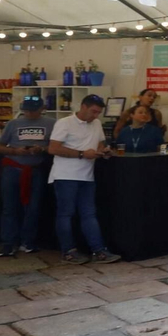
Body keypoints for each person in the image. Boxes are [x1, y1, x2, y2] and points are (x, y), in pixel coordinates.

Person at [46, 94, 120, 264]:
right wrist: (81, 154)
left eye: (98, 113)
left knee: (89, 214)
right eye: (93, 111)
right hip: (65, 175)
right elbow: (53, 148)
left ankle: (99, 250)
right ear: (83, 107)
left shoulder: (97, 123)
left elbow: (100, 143)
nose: (95, 116)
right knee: (66, 214)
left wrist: (103, 151)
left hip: (87, 176)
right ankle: (68, 251)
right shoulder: (65, 123)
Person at [0, 96, 50, 257]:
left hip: (35, 169)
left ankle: (28, 241)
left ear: (42, 109)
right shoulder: (13, 124)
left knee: (32, 208)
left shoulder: (51, 123)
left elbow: (56, 145)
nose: (29, 113)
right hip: (13, 168)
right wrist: (15, 151)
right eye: (26, 110)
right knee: (9, 208)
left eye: (33, 110)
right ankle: (8, 243)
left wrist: (42, 149)